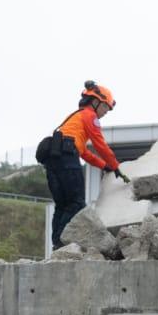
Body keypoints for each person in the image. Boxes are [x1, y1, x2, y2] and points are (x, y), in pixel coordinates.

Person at [42, 80, 126, 249]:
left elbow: (84, 152)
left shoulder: (75, 118)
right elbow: (100, 144)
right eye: (105, 108)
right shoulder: (89, 116)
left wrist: (104, 166)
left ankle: (56, 243)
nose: (105, 113)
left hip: (53, 159)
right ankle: (61, 243)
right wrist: (116, 166)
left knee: (62, 205)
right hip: (66, 157)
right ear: (95, 102)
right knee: (76, 203)